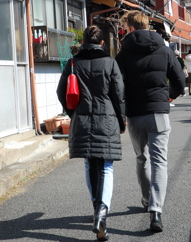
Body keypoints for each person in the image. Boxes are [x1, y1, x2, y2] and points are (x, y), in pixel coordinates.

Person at [115, 11, 185, 233]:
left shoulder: (123, 53)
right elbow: (180, 81)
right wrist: (169, 95)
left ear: (131, 28)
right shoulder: (164, 49)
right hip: (159, 113)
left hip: (135, 114)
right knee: (160, 161)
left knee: (141, 158)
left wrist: (121, 112)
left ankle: (146, 200)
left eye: (125, 28)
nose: (124, 31)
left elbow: (117, 86)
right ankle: (156, 210)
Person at [57, 25, 126, 241]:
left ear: (84, 42)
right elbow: (119, 95)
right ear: (102, 43)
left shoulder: (73, 63)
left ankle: (96, 207)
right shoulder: (110, 62)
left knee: (89, 163)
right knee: (105, 166)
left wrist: (74, 113)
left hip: (82, 120)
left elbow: (62, 92)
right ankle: (102, 212)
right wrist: (121, 120)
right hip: (107, 120)